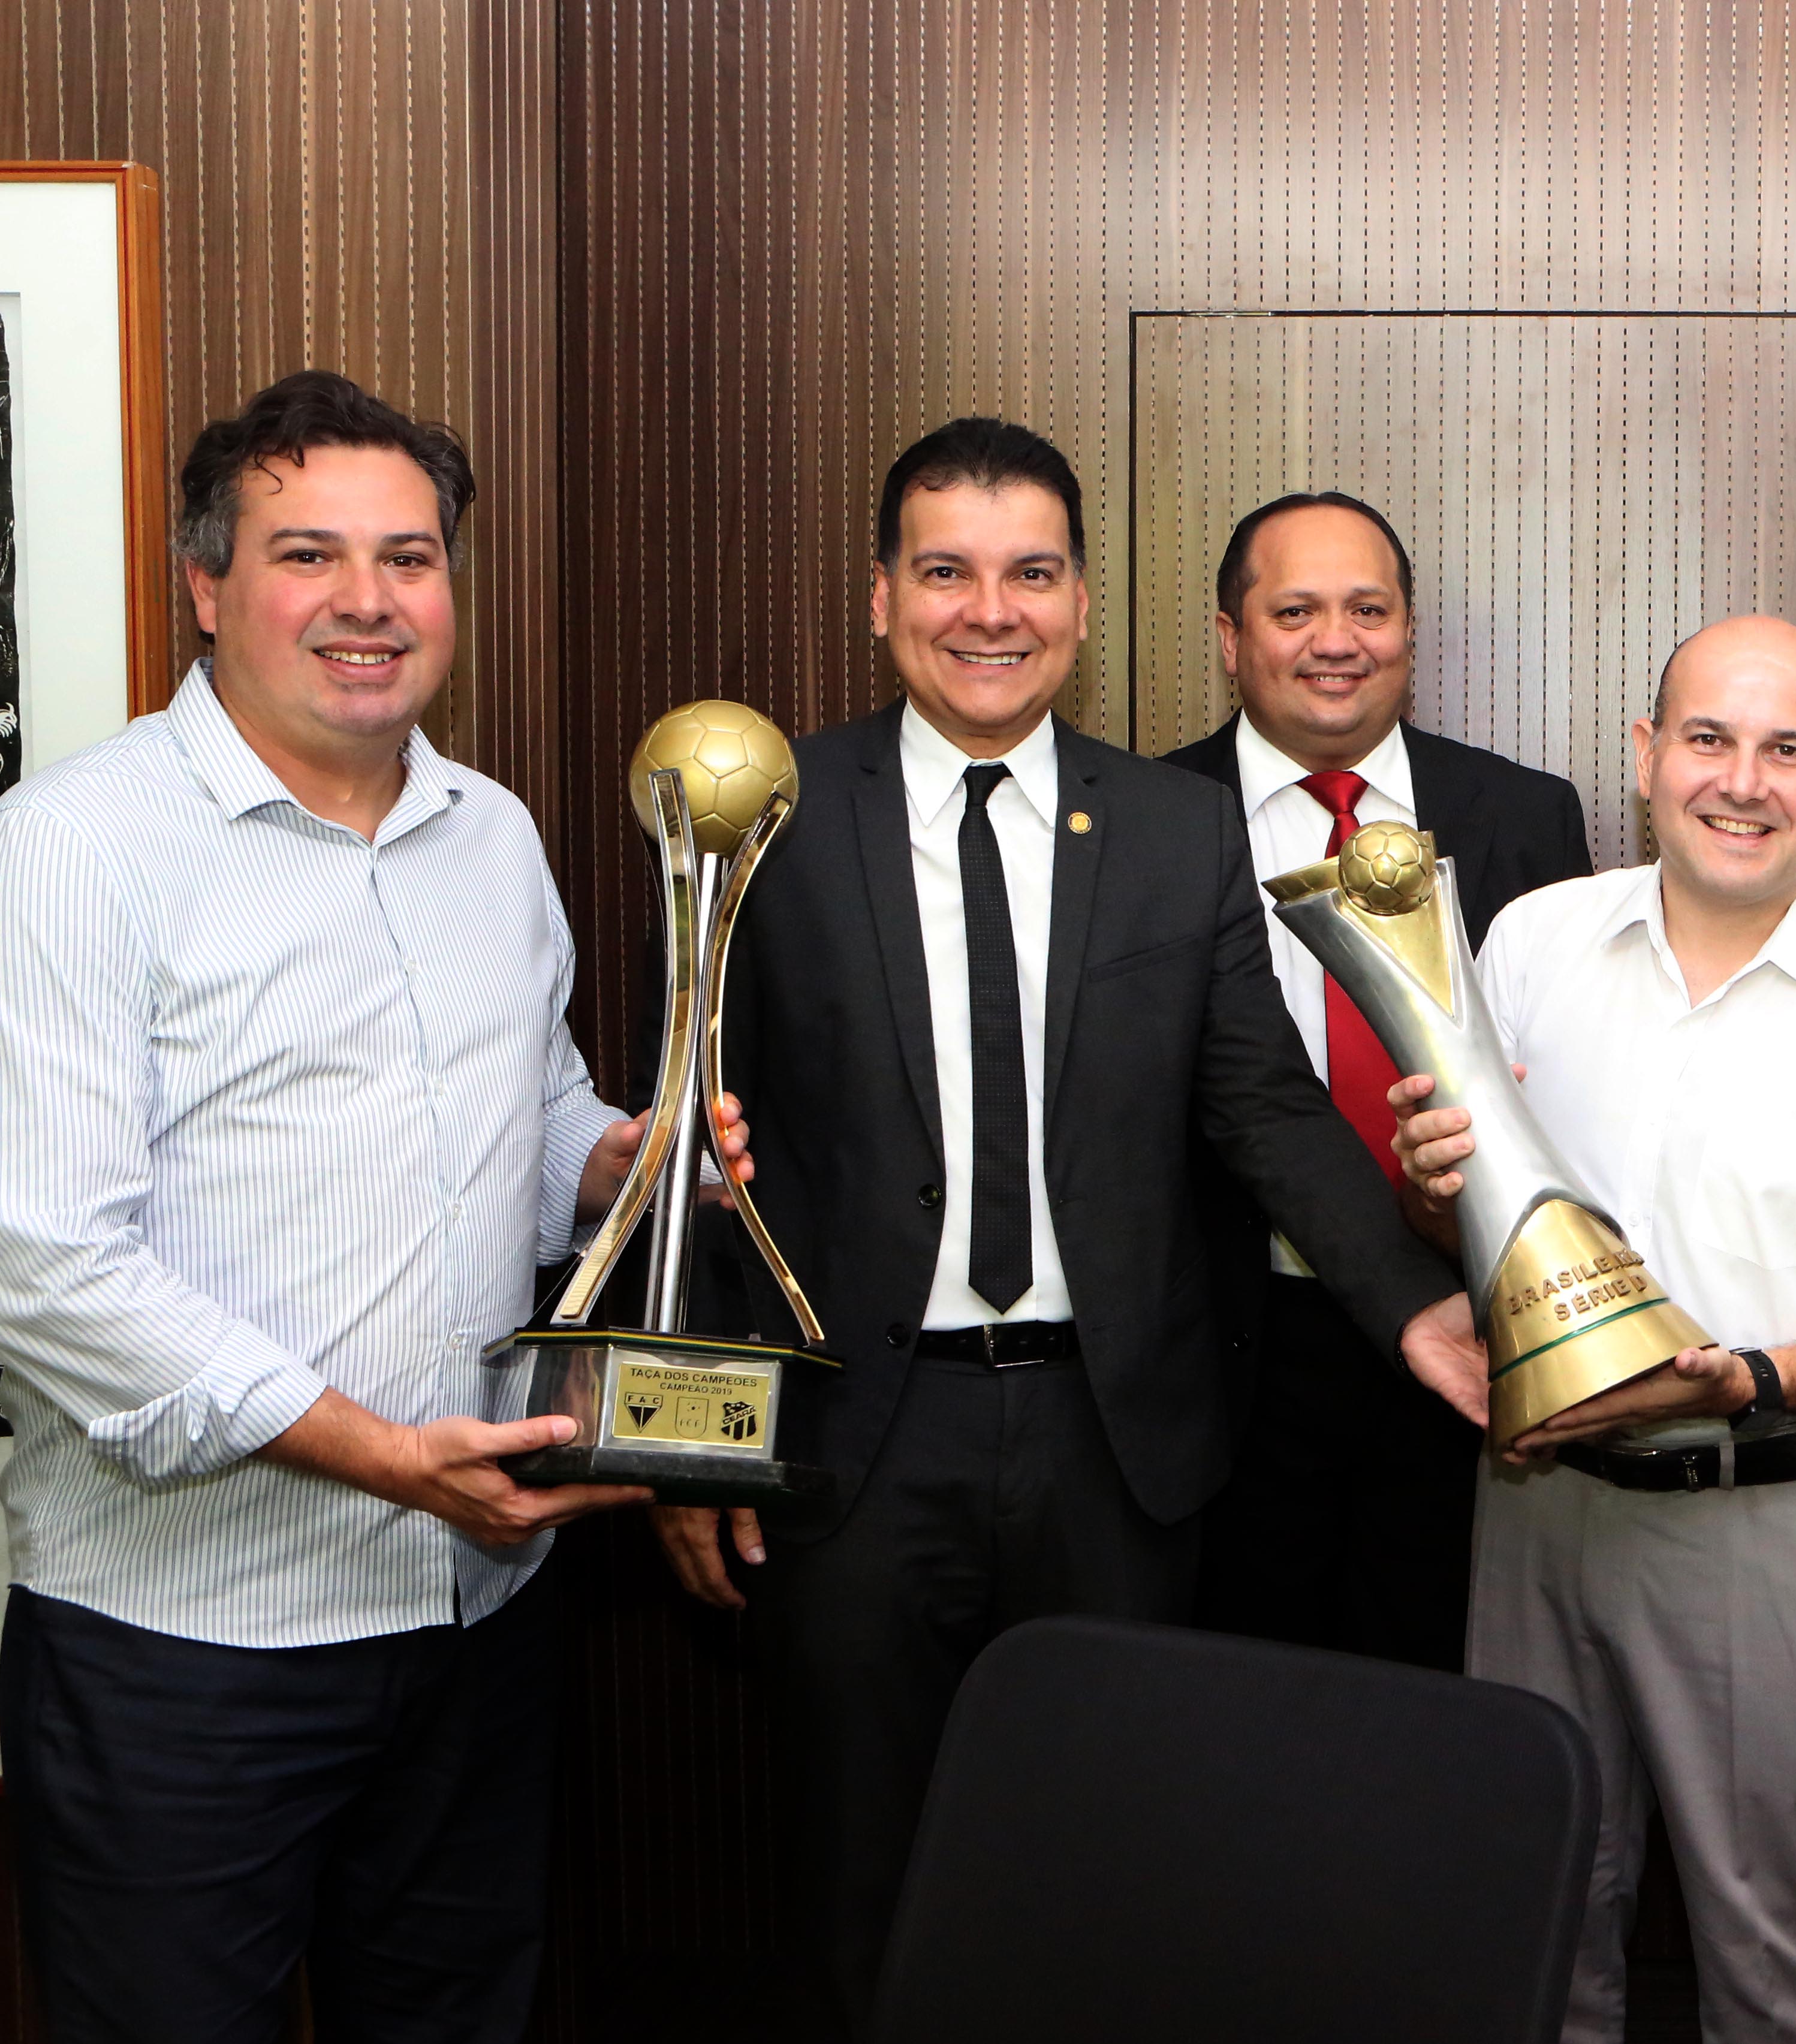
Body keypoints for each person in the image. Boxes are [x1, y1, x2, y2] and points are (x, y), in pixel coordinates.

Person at [0, 370, 739, 2043]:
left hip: (475, 1631)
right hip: (189, 1655)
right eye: (312, 555)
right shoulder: (69, 852)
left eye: (411, 557)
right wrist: (387, 1454)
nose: (370, 601)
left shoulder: (488, 836)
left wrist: (623, 1161)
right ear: (209, 586)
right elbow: (50, 1273)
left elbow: (529, 1115)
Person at [646, 420, 1482, 2040]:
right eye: (946, 571)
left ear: (1083, 604)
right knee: (858, 1891)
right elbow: (698, 1149)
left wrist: (1413, 1310)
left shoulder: (1174, 834)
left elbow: (1264, 1108)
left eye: (1030, 572)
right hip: (853, 1455)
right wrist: (690, 1445)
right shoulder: (774, 816)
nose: (990, 610)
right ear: (880, 595)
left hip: (1118, 1450)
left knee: (1110, 1884)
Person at [1392, 616, 1796, 2044]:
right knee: (1538, 1919)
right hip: (1537, 1507)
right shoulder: (1538, 940)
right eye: (1710, 738)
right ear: (1645, 757)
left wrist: (1749, 1380)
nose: (1744, 781)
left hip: (1768, 1523)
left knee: (1767, 1956)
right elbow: (1480, 1228)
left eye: (1787, 749)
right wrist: (1437, 1195)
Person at [1167, 490, 1592, 1670]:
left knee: (1442, 1715)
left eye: (1370, 607)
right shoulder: (1150, 820)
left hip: (1471, 1349)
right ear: (1230, 635)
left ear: (1410, 630)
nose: (1337, 639)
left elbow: (1565, 1090)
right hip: (1233, 1354)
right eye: (1294, 608)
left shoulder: (1522, 816)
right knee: (1242, 1720)